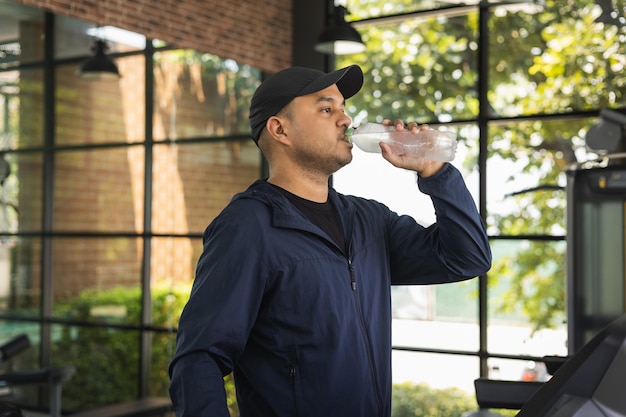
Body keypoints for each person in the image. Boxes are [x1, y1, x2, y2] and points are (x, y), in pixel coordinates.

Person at [168, 64, 492, 417]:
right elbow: (198, 359)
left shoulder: (369, 220)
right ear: (280, 129)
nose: (346, 120)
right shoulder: (248, 227)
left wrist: (436, 172)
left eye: (343, 108)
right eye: (327, 109)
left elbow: (467, 257)